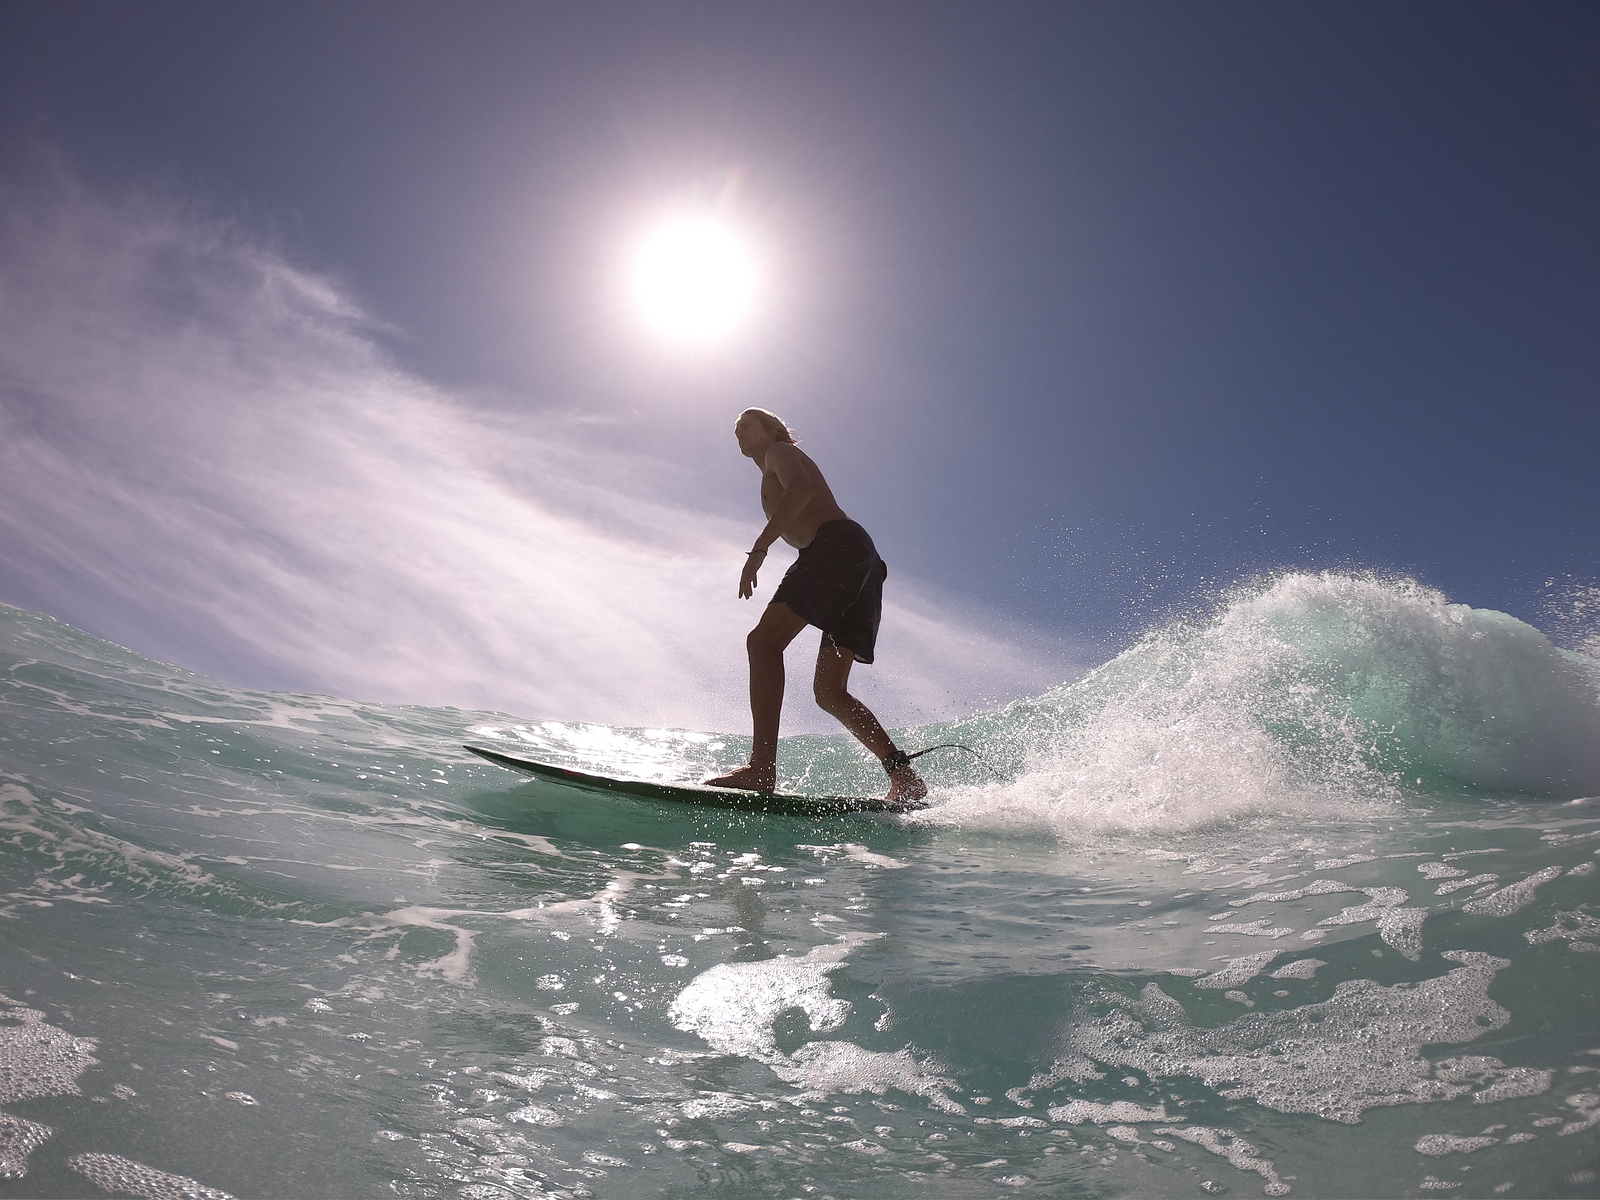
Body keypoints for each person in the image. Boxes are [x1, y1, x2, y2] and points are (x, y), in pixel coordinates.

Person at [705, 408, 928, 807]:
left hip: (835, 547)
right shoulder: (769, 466)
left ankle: (761, 769)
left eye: (747, 427)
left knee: (763, 643)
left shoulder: (779, 451)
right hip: (861, 562)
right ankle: (905, 778)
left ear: (772, 430)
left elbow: (803, 490)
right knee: (829, 692)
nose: (739, 434)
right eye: (735, 430)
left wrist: (759, 550)